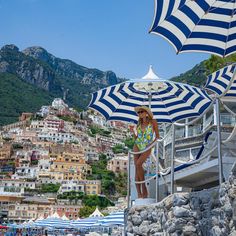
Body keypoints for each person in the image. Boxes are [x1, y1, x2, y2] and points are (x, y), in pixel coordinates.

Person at [133, 106, 159, 198]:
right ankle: (139, 194)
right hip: (137, 145)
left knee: (139, 164)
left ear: (146, 112)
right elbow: (137, 138)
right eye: (138, 113)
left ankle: (144, 189)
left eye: (141, 112)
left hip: (147, 146)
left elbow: (157, 137)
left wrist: (150, 145)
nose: (139, 114)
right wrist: (133, 133)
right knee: (137, 167)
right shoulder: (138, 123)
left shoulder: (153, 122)